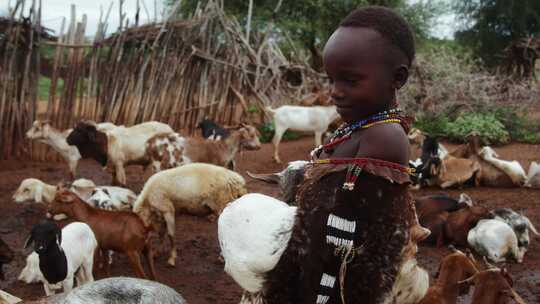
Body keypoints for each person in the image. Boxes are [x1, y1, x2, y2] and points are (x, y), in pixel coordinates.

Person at [263, 6, 429, 304]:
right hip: (315, 266)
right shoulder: (358, 127)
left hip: (333, 286)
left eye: (350, 81)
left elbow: (361, 246)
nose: (335, 92)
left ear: (397, 78)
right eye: (332, 80)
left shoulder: (385, 136)